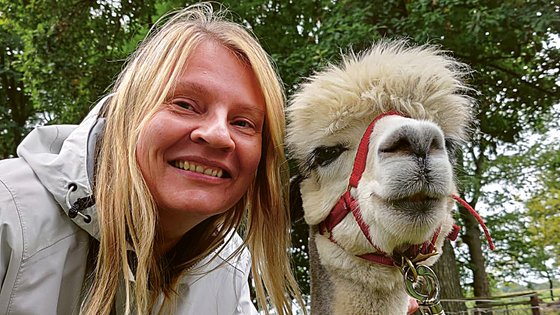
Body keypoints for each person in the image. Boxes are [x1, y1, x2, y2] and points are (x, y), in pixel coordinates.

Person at [0, 3, 304, 314]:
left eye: (243, 123)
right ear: (128, 114)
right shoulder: (10, 213)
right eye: (185, 104)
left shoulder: (227, 270)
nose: (218, 135)